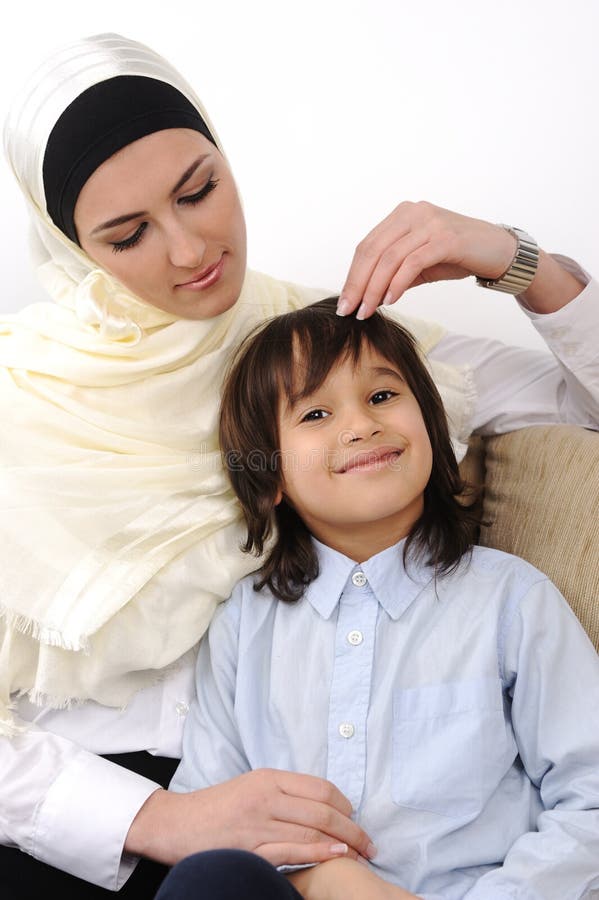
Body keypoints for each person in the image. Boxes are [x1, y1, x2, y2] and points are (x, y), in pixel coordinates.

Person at [0, 30, 598, 900]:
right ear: (72, 249)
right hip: (85, 818)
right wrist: (158, 819)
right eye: (127, 235)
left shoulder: (333, 342)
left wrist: (507, 258)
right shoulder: (24, 400)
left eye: (199, 190)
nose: (188, 251)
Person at [167, 298, 599, 900]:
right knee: (207, 880)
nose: (361, 425)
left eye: (381, 397)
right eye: (316, 412)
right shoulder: (245, 622)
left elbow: (592, 796)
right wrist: (322, 878)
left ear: (431, 427)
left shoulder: (510, 599)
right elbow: (207, 811)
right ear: (270, 481)